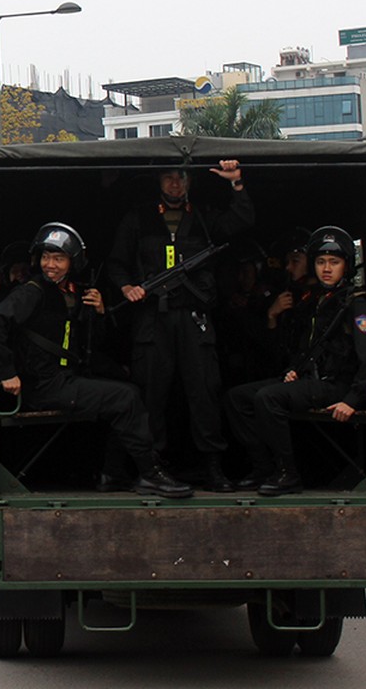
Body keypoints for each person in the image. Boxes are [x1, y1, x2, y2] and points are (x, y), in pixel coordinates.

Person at [0, 222, 192, 498]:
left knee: (129, 389)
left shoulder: (70, 292)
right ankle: (150, 474)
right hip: (45, 385)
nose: (50, 265)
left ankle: (112, 474)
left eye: (58, 258)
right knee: (125, 398)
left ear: (73, 262)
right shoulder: (32, 291)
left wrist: (99, 312)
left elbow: (86, 346)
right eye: (46, 257)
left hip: (64, 378)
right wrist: (7, 372)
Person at [106, 160, 254, 492]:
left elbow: (242, 220)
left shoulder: (203, 216)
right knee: (151, 395)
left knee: (204, 392)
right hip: (152, 318)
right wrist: (126, 287)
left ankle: (212, 466)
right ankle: (151, 467)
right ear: (158, 179)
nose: (175, 183)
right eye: (169, 177)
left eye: (181, 177)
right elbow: (116, 262)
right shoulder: (139, 218)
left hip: (193, 318)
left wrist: (237, 184)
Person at [224, 226, 366, 496]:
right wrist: (292, 371)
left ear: (346, 266)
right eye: (321, 262)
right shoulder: (316, 300)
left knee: (268, 398)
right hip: (311, 379)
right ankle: (263, 468)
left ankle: (287, 473)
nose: (326, 268)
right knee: (236, 398)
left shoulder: (356, 303)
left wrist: (352, 399)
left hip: (336, 385)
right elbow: (303, 349)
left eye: (334, 262)